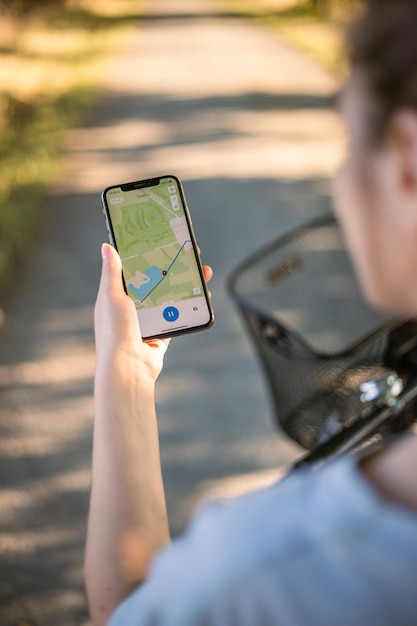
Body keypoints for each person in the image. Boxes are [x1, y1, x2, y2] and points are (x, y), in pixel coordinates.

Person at [85, 0, 417, 623]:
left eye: (348, 138)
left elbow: (130, 611)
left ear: (407, 157)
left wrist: (124, 373)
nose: (341, 181)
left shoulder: (264, 575)